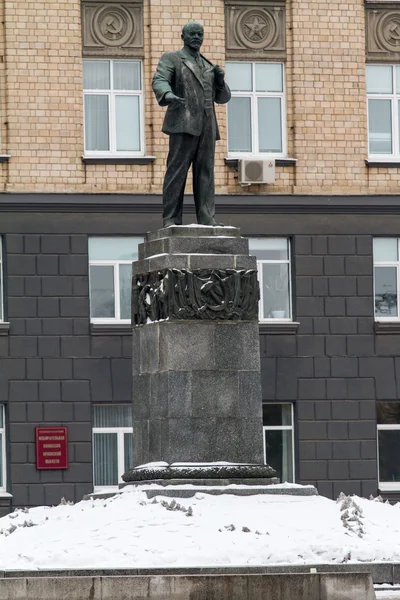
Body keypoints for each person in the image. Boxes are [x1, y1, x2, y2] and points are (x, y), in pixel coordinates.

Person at [152, 22, 231, 227]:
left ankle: (207, 217)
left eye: (199, 34)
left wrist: (220, 81)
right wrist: (167, 94)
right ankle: (171, 218)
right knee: (176, 172)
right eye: (192, 34)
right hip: (183, 122)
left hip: (207, 125)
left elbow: (222, 98)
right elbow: (160, 79)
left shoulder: (208, 65)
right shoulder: (173, 59)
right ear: (183, 37)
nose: (196, 37)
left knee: (205, 171)